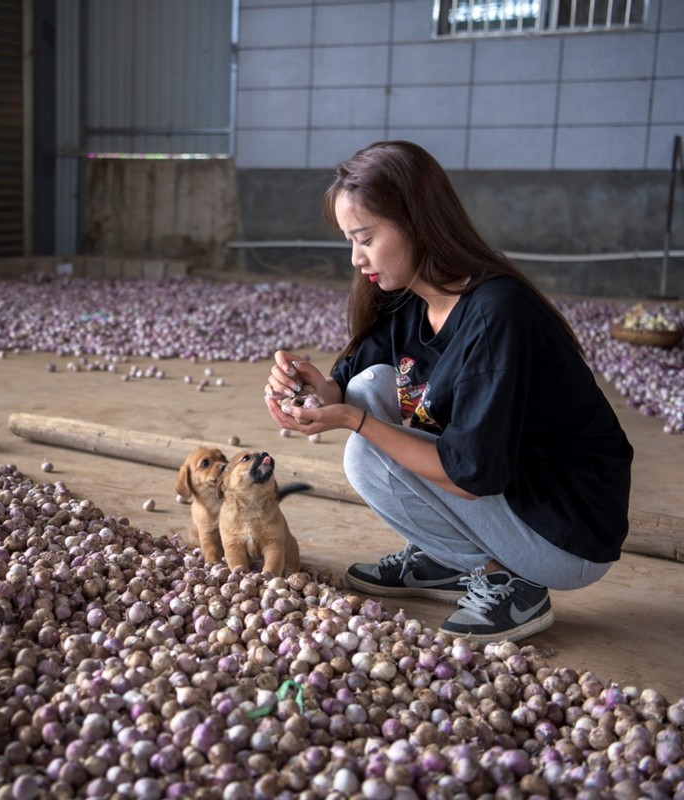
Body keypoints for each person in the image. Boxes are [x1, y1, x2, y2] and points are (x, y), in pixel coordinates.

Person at [265, 140, 633, 643]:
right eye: (351, 241)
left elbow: (470, 475)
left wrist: (355, 421)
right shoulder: (406, 301)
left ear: (417, 223)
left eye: (366, 238)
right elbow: (350, 391)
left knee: (364, 452)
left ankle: (509, 582)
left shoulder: (497, 312)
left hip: (563, 530)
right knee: (367, 385)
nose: (356, 258)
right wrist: (307, 388)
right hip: (510, 499)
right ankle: (446, 559)